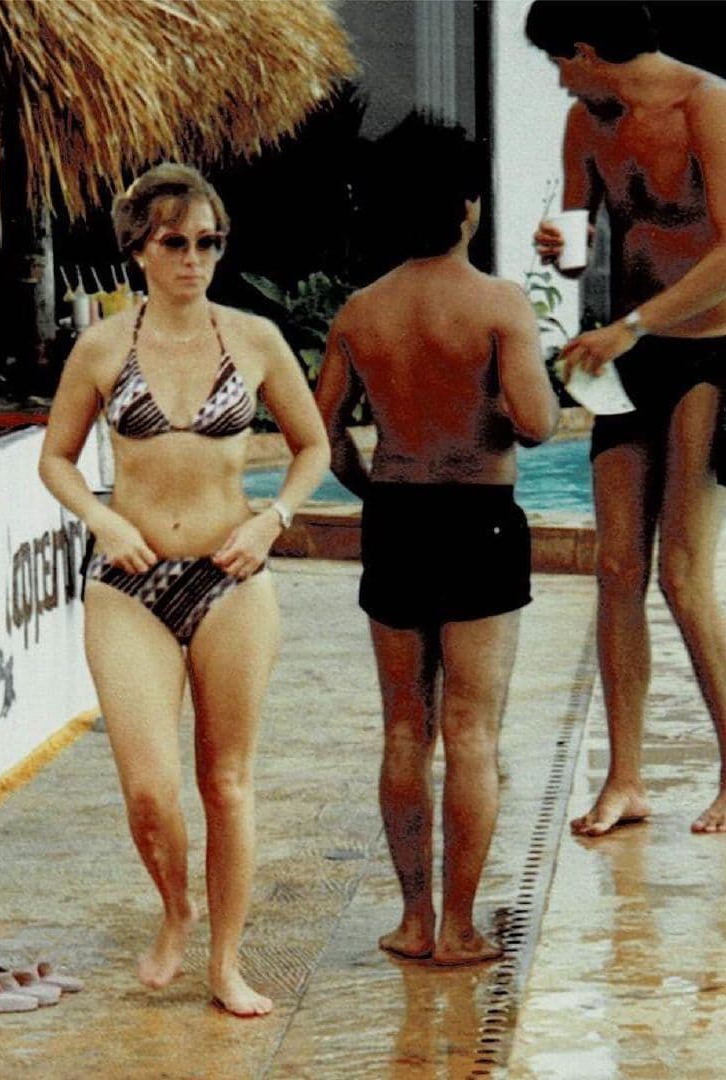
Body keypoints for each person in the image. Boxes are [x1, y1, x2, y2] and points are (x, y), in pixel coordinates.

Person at [38, 163, 329, 1015]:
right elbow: (55, 456)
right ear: (138, 248)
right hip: (129, 584)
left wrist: (271, 519)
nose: (194, 259)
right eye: (175, 243)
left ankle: (226, 964)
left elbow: (313, 445)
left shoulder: (256, 339)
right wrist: (102, 518)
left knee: (228, 783)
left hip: (229, 577)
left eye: (209, 242)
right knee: (148, 787)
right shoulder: (101, 348)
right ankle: (176, 910)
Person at [315, 115, 559, 965]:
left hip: (396, 519)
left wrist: (377, 490)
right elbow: (533, 423)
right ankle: (458, 927)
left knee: (404, 732)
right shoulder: (499, 305)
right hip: (479, 520)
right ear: (468, 206)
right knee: (474, 733)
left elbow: (327, 440)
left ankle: (413, 918)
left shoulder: (359, 311)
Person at [526, 1, 726, 836]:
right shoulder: (585, 120)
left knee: (682, 573)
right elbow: (583, 243)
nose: (560, 82)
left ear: (585, 49)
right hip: (625, 355)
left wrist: (635, 325)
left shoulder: (706, 103)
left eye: (560, 64)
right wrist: (557, 249)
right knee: (615, 569)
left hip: (709, 353)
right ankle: (625, 779)